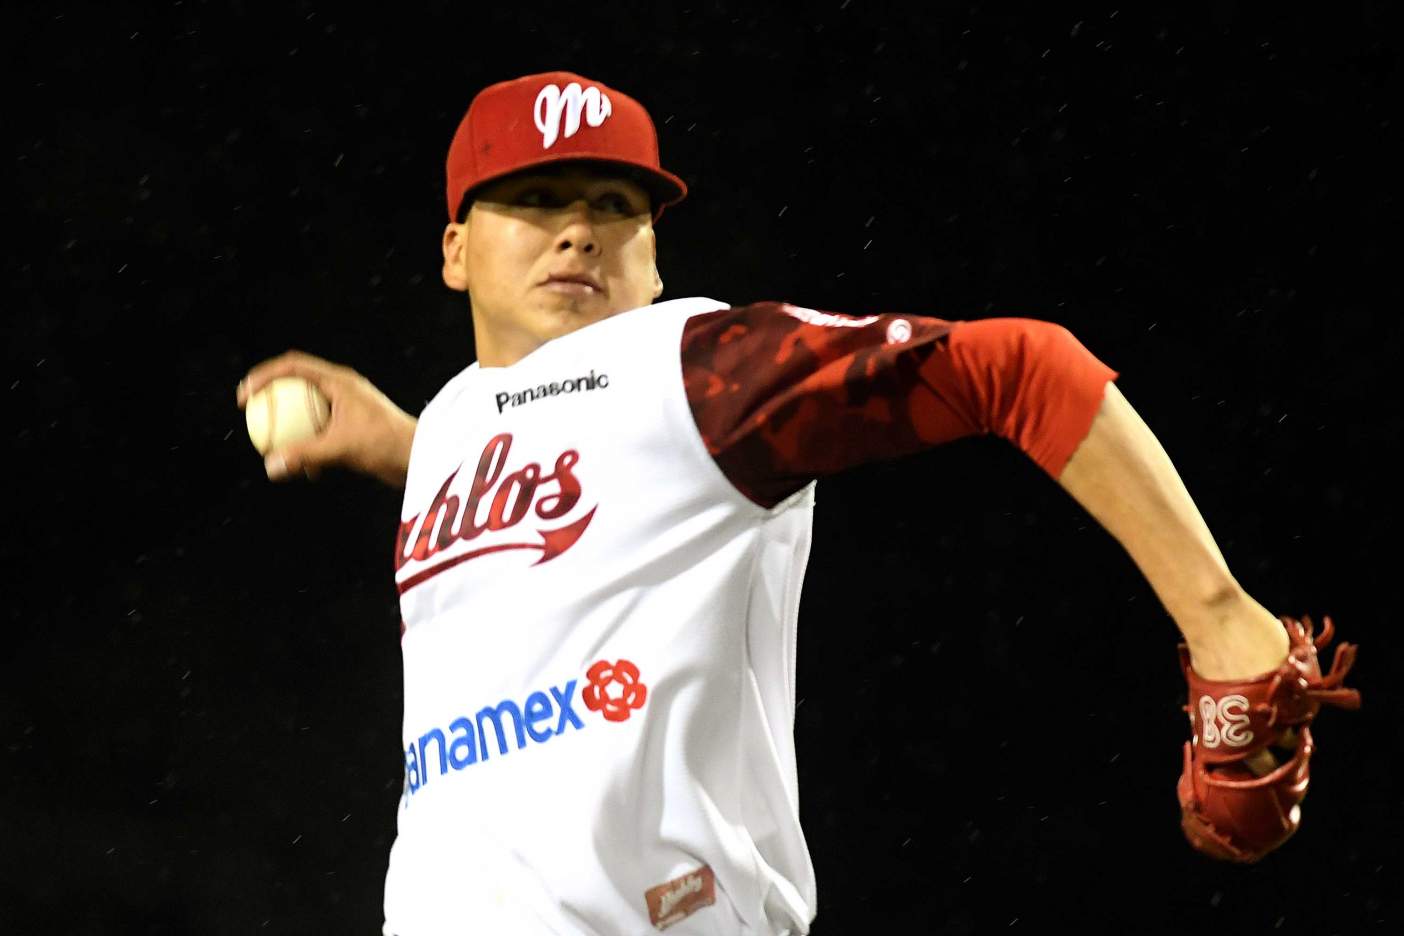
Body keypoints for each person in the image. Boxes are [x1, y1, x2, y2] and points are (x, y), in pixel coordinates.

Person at [236, 71, 1359, 935]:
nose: (578, 228)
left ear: (655, 259)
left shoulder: (699, 370)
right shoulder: (459, 424)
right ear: (453, 251)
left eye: (615, 204)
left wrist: (1222, 619)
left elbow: (1024, 366)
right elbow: (567, 486)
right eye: (534, 199)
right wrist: (406, 444)